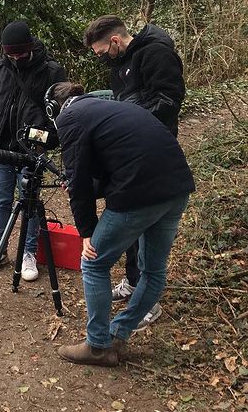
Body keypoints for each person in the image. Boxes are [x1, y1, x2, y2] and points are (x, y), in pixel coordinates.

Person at [45, 82, 194, 366]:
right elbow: (123, 160)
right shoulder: (114, 107)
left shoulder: (70, 117)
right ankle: (118, 334)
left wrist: (86, 231)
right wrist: (91, 187)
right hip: (177, 188)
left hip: (139, 194)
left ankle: (98, 346)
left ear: (54, 109)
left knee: (94, 262)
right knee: (153, 269)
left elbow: (77, 180)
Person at [83, 15, 186, 328]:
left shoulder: (155, 54)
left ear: (115, 41)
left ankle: (147, 301)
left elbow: (170, 100)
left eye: (102, 53)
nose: (101, 59)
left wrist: (131, 124)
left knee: (142, 222)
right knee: (126, 212)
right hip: (126, 152)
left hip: (153, 150)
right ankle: (131, 280)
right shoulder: (119, 66)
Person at [0, 20, 67, 279]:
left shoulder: (51, 72)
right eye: (10, 54)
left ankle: (28, 254)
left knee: (30, 203)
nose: (15, 58)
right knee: (0, 201)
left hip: (32, 153)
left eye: (19, 53)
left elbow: (62, 114)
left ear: (30, 48)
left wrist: (46, 141)